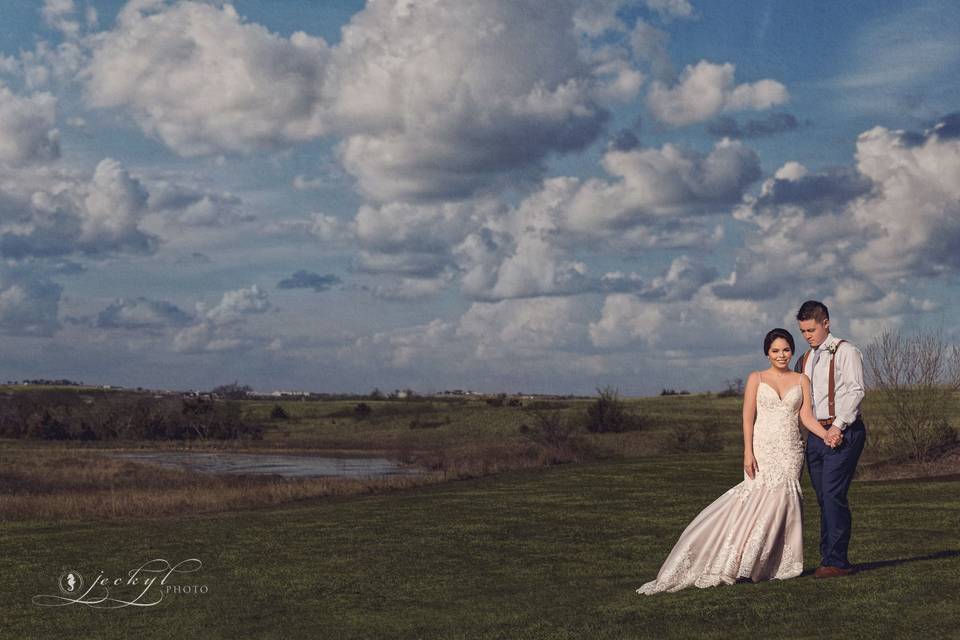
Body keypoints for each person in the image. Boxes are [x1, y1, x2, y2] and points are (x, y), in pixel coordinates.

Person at [636, 328, 835, 595]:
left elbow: (807, 418)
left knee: (782, 505)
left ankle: (771, 565)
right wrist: (747, 452)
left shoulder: (802, 379)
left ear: (792, 351)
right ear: (767, 353)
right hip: (762, 448)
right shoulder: (756, 378)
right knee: (755, 502)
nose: (781, 355)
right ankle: (742, 561)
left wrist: (827, 434)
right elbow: (747, 417)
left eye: (786, 349)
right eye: (775, 350)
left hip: (790, 450)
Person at [795, 300, 866, 578]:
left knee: (833, 494)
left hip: (845, 431)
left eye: (811, 329)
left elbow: (856, 391)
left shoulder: (846, 351)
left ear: (826, 323)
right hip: (816, 435)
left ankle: (836, 561)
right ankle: (828, 558)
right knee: (823, 497)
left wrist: (837, 427)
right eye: (803, 331)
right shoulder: (806, 359)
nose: (807, 335)